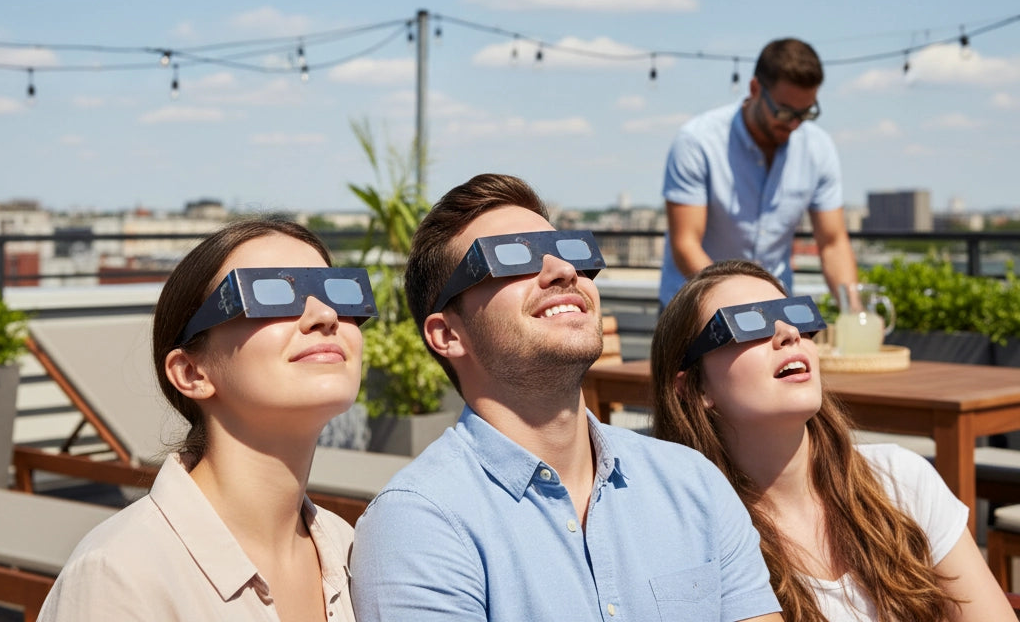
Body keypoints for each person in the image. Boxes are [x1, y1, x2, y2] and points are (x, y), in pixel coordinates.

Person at [351, 173, 782, 622]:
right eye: (511, 257)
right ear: (448, 334)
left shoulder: (694, 485)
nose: (563, 270)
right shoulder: (421, 523)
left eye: (570, 252)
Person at [39, 219, 375, 622]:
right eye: (270, 294)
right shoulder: (120, 576)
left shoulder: (352, 552)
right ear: (191, 373)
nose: (325, 315)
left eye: (339, 293)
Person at [650, 259, 1016, 622]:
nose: (788, 333)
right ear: (695, 387)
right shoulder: (696, 541)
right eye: (747, 323)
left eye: (795, 315)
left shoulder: (899, 480)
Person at [659, 36, 861, 310]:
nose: (794, 125)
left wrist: (854, 312)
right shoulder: (697, 142)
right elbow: (686, 245)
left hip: (774, 312)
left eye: (805, 113)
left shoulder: (818, 148)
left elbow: (833, 243)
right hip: (695, 312)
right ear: (755, 89)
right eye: (784, 112)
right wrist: (742, 305)